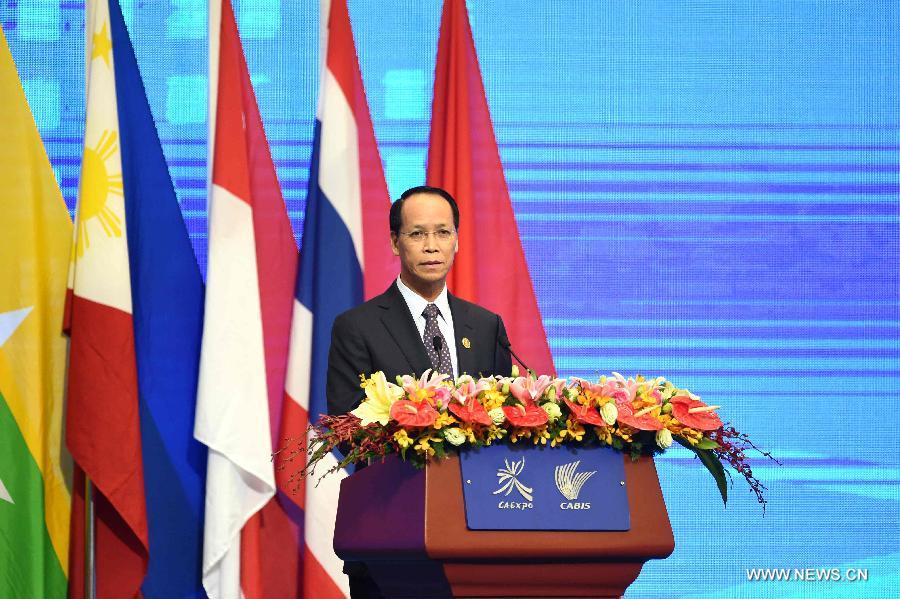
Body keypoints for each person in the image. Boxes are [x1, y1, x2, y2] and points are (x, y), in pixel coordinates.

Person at [325, 185, 513, 598]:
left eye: (443, 233)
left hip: (480, 534)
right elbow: (346, 428)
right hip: (393, 535)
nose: (432, 246)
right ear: (395, 242)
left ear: (457, 240)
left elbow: (506, 423)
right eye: (417, 234)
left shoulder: (485, 326)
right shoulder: (357, 326)